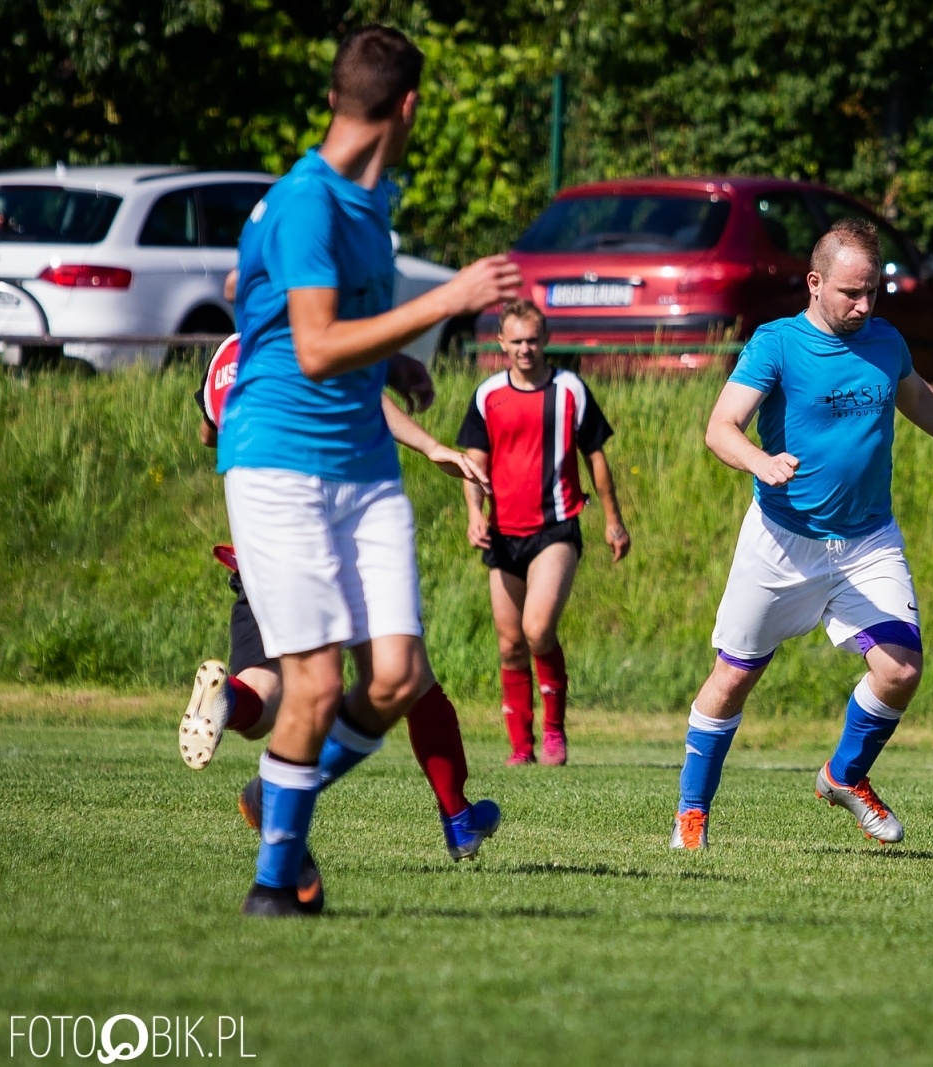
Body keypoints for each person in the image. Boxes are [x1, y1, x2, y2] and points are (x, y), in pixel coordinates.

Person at [218, 25, 523, 916]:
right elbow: (311, 347)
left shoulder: (371, 196)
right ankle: (276, 885)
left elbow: (305, 319)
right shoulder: (307, 201)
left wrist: (391, 362)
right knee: (312, 684)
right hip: (280, 463)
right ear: (410, 107)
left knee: (395, 677)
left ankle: (276, 798)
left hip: (362, 460)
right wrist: (448, 301)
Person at [669, 218, 933, 851]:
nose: (863, 306)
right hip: (783, 541)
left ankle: (843, 776)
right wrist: (759, 461)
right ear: (815, 282)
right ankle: (692, 813)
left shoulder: (885, 340)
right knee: (732, 678)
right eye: (850, 293)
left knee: (901, 670)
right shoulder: (776, 344)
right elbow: (721, 426)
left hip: (867, 541)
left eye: (872, 294)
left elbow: (915, 398)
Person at [179, 332, 503, 899]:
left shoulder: (227, 353)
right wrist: (430, 445)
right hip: (326, 514)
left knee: (270, 690)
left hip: (258, 535)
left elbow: (210, 432)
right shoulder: (303, 334)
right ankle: (454, 818)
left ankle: (229, 699)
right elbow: (352, 390)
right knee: (398, 677)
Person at [456, 300, 631, 767]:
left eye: (532, 340)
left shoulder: (570, 389)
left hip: (555, 527)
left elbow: (596, 457)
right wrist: (475, 512)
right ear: (501, 344)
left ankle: (554, 731)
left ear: (545, 339)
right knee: (510, 642)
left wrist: (613, 520)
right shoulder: (487, 394)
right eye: (515, 341)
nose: (525, 349)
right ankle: (521, 746)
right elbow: (473, 465)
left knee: (537, 629)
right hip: (502, 533)